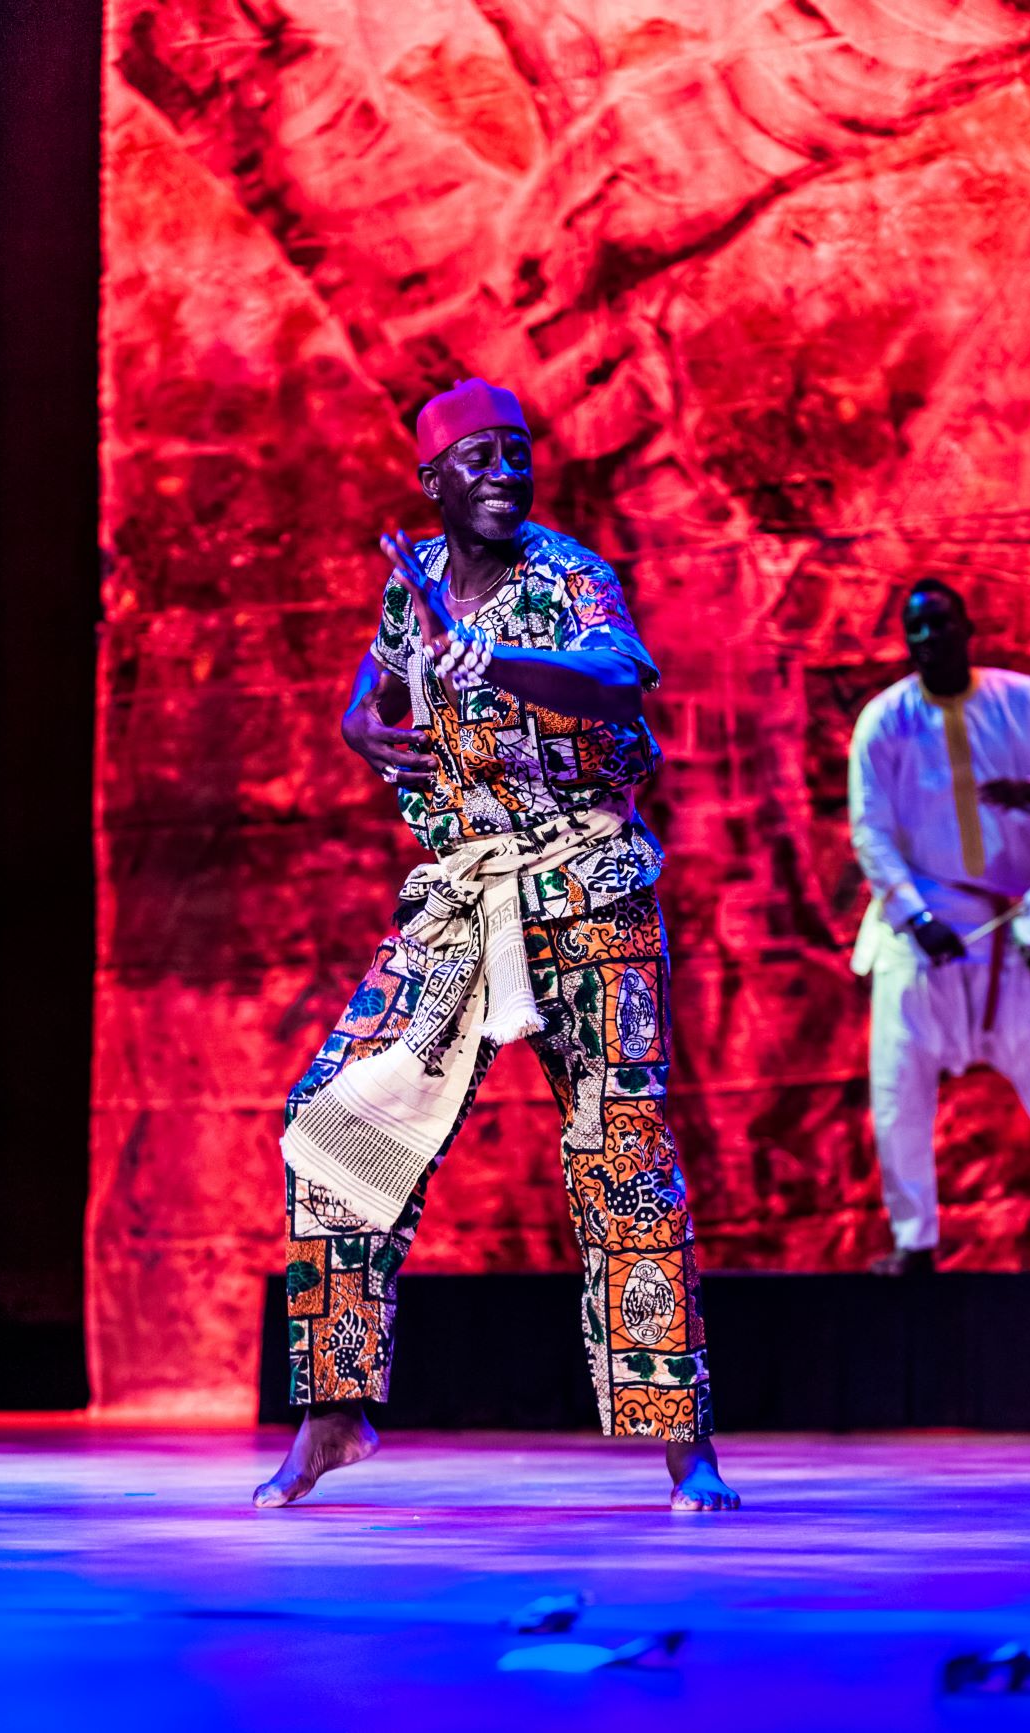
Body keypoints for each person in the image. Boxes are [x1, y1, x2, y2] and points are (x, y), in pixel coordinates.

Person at [254, 379, 738, 1511]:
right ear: (433, 482)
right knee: (334, 1127)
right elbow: (371, 693)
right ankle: (333, 1416)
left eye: (516, 453)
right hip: (463, 903)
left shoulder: (567, 575)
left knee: (621, 1160)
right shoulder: (410, 580)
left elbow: (622, 679)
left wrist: (499, 660)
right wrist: (355, 719)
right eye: (477, 458)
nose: (505, 473)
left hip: (587, 896)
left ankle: (688, 1444)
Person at [849, 577, 1030, 1274]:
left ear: (967, 626)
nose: (926, 639)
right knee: (898, 1091)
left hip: (1013, 932)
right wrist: (915, 913)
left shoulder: (1020, 701)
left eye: (938, 624)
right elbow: (869, 833)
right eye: (914, 628)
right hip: (920, 938)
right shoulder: (883, 720)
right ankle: (914, 1242)